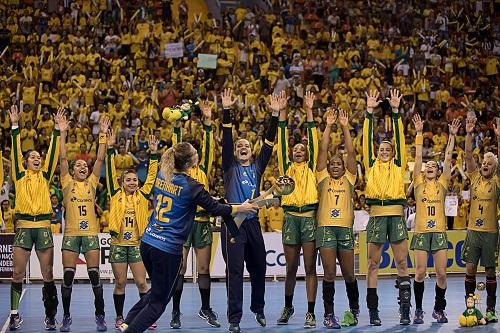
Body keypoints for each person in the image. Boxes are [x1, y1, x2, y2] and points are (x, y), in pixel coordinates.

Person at [117, 142, 258, 333]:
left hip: (148, 242)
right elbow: (214, 209)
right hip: (167, 249)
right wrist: (242, 207)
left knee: (156, 291)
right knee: (158, 303)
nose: (197, 153)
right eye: (194, 152)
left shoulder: (161, 175)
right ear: (190, 161)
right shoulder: (192, 186)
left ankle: (126, 324)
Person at [220, 88, 280, 333]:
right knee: (234, 272)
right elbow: (226, 141)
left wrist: (275, 115)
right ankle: (234, 319)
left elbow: (268, 144)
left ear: (251, 152)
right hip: (234, 224)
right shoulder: (229, 168)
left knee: (259, 268)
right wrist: (226, 111)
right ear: (235, 152)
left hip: (253, 224)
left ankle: (258, 308)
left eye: (246, 145)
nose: (243, 147)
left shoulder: (257, 168)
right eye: (239, 145)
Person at [8, 105, 63, 330]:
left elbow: (52, 154)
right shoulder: (19, 175)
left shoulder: (46, 175)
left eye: (38, 156)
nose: (37, 158)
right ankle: (14, 315)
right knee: (17, 272)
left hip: (42, 226)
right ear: (26, 161)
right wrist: (14, 127)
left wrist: (57, 131)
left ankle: (50, 315)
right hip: (22, 226)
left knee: (47, 272)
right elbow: (14, 151)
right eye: (32, 156)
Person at [169, 100, 221, 328]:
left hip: (201, 222)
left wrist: (208, 121)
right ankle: (175, 312)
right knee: (179, 267)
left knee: (203, 269)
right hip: (183, 223)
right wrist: (178, 123)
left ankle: (205, 308)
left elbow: (209, 147)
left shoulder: (202, 170)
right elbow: (175, 147)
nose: (196, 155)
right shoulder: (177, 171)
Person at [362, 89, 411, 325]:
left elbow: (400, 139)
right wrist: (369, 112)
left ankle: (405, 309)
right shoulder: (371, 165)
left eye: (387, 149)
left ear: (392, 153)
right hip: (377, 216)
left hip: (396, 215)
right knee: (373, 264)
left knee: (402, 263)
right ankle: (373, 311)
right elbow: (365, 140)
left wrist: (395, 111)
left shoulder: (398, 165)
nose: (383, 151)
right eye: (380, 149)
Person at [58, 114, 110, 331]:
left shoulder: (91, 182)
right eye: (78, 164)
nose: (82, 167)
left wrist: (103, 135)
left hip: (90, 233)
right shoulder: (66, 182)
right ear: (72, 170)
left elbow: (99, 159)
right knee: (68, 276)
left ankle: (100, 315)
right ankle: (66, 316)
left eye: (84, 166)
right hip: (70, 233)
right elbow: (62, 159)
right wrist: (62, 132)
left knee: (95, 276)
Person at [106, 129, 159, 330]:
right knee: (120, 283)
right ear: (121, 183)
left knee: (142, 283)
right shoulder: (114, 194)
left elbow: (152, 177)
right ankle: (120, 317)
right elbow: (110, 172)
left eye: (135, 180)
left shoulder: (143, 195)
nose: (132, 183)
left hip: (137, 244)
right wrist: (110, 149)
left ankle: (147, 317)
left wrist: (153, 154)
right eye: (128, 180)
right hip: (118, 244)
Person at [410, 114, 460, 324]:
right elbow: (419, 158)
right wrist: (420, 133)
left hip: (438, 233)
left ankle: (439, 309)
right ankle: (419, 310)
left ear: (438, 171)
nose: (429, 166)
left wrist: (453, 136)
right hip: (421, 232)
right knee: (420, 273)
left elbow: (448, 158)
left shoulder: (442, 184)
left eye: (433, 165)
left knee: (441, 275)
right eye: (427, 165)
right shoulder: (418, 183)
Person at [276, 91, 319, 328]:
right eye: (296, 150)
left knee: (310, 267)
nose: (298, 152)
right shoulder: (286, 167)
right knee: (291, 267)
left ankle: (311, 312)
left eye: (302, 150)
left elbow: (312, 139)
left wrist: (309, 111)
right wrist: (282, 112)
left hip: (309, 218)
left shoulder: (311, 166)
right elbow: (282, 141)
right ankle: (288, 305)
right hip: (291, 218)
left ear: (307, 153)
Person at [316, 109, 359, 328]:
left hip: (344, 230)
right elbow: (322, 149)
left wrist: (344, 126)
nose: (334, 165)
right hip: (325, 229)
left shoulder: (349, 180)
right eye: (332, 163)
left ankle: (355, 310)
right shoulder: (322, 178)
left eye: (338, 164)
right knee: (330, 273)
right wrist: (329, 126)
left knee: (350, 274)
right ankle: (328, 314)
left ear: (344, 168)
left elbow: (351, 153)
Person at [462, 116, 499, 323]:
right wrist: (468, 133)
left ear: (494, 167)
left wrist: (499, 138)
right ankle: (471, 308)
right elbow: (468, 155)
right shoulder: (475, 177)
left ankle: (491, 309)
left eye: (489, 163)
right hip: (473, 232)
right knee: (469, 269)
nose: (484, 165)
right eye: (483, 162)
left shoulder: (497, 181)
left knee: (491, 270)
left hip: (490, 232)